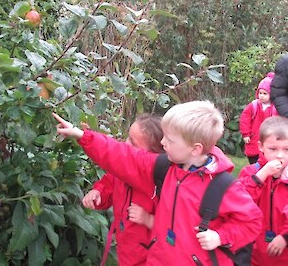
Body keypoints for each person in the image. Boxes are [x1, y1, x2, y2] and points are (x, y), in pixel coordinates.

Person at [53, 100, 262, 266]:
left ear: (195, 148)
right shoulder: (165, 168)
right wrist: (82, 135)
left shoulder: (222, 186)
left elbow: (251, 221)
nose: (163, 143)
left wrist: (220, 236)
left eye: (170, 140)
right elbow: (122, 156)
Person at [82, 114, 164, 266]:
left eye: (133, 143)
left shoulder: (158, 183)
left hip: (149, 257)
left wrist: (147, 219)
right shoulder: (122, 171)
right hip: (126, 249)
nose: (125, 144)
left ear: (152, 155)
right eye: (128, 137)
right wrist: (98, 193)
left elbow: (173, 228)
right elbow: (109, 183)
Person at [238, 116, 288, 265]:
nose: (280, 155)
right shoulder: (251, 172)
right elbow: (240, 202)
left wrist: (285, 237)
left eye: (287, 149)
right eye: (273, 149)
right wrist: (262, 175)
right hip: (254, 253)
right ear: (260, 147)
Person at [239, 72, 278, 164]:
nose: (262, 96)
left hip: (269, 139)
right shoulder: (254, 105)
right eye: (260, 93)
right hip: (254, 138)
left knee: (267, 158)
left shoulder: (275, 108)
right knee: (253, 159)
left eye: (265, 93)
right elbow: (245, 119)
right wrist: (246, 134)